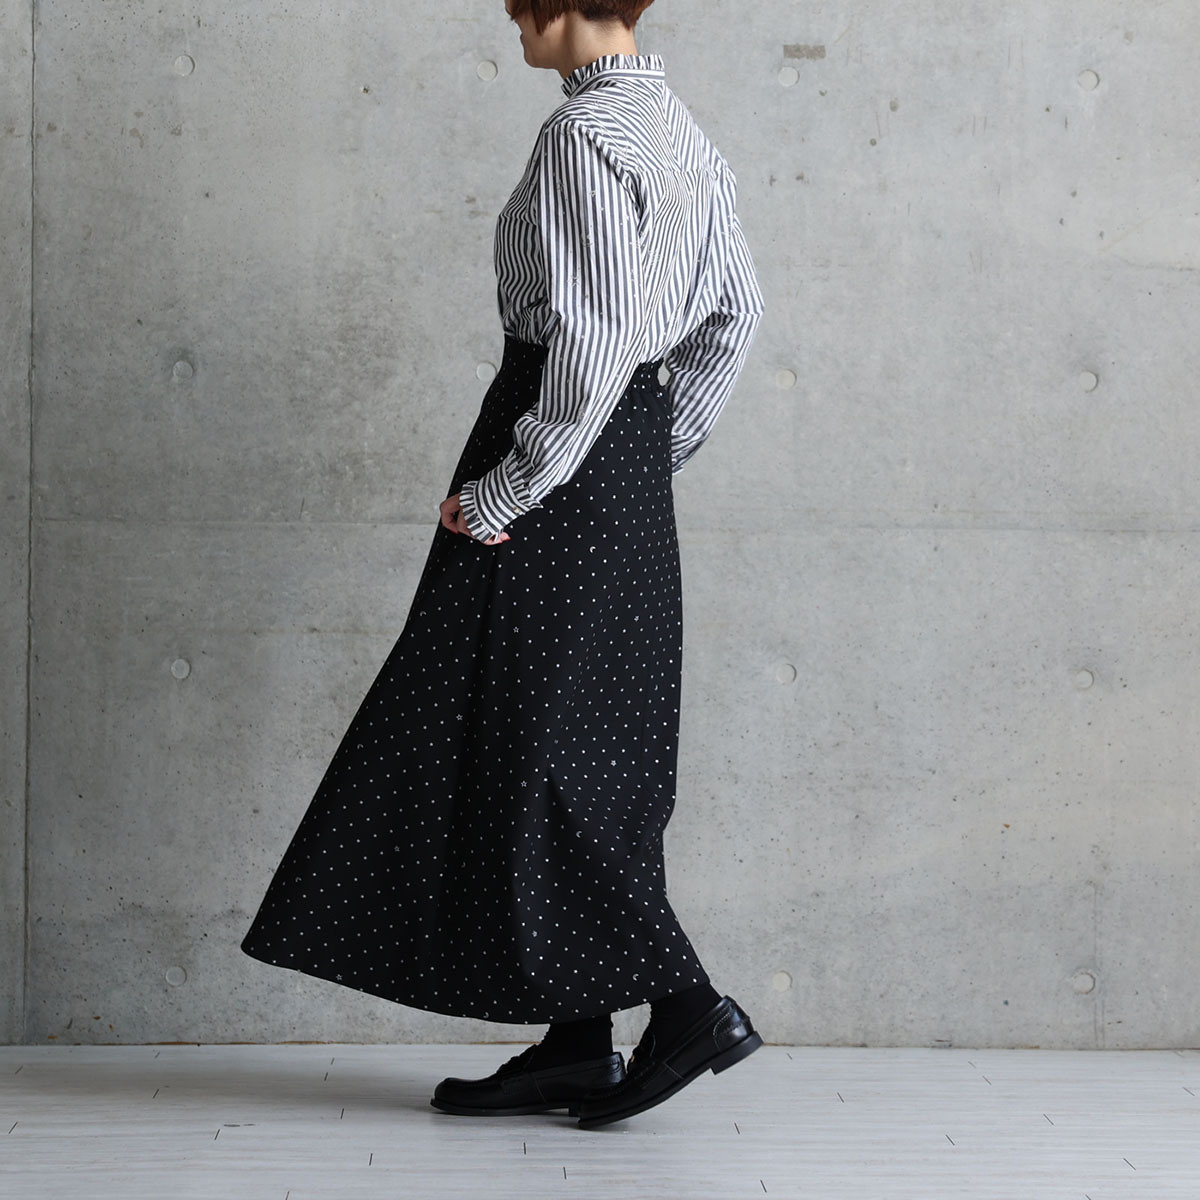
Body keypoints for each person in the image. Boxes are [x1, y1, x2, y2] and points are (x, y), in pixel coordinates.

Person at [240, 0, 765, 1130]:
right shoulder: (679, 129)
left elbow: (595, 332)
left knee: (521, 744)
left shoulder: (585, 137)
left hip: (553, 453)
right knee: (589, 745)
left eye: (522, 1)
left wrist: (516, 483)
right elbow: (735, 314)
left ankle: (687, 1008)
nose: (511, 17)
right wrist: (646, 453)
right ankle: (577, 1044)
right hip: (617, 465)